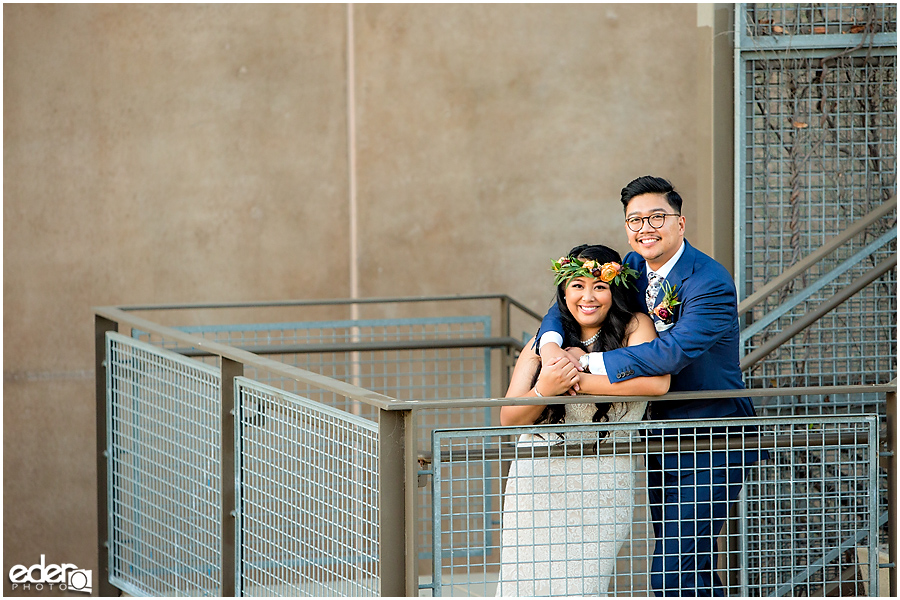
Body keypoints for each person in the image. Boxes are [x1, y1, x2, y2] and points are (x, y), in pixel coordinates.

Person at [535, 176, 764, 596]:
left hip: (714, 435)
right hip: (661, 436)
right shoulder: (633, 267)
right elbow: (564, 305)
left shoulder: (708, 281)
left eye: (657, 217)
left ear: (680, 222)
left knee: (672, 570)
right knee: (688, 564)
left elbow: (670, 354)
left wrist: (583, 363)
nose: (646, 228)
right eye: (635, 220)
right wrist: (551, 348)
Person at [495, 243, 670, 597]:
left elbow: (656, 382)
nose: (588, 296)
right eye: (577, 285)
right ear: (564, 290)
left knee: (584, 585)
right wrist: (545, 388)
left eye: (599, 286)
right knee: (522, 585)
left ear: (614, 289)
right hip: (536, 482)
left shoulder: (635, 329)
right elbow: (509, 418)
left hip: (604, 481)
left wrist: (577, 378)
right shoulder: (543, 343)